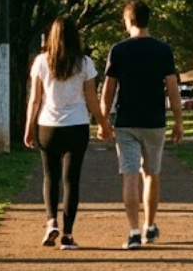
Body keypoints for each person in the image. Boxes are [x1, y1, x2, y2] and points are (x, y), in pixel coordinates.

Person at [24, 16, 114, 251]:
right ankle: (68, 234)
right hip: (77, 125)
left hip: (47, 126)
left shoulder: (41, 61)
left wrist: (28, 128)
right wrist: (103, 123)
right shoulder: (84, 63)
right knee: (71, 179)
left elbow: (35, 99)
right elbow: (92, 99)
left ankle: (51, 221)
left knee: (50, 176)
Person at [100, 0, 185, 250]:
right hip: (154, 121)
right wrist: (178, 121)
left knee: (129, 174)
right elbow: (172, 89)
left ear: (128, 21)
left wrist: (103, 120)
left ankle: (134, 232)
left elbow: (108, 90)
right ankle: (150, 225)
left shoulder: (118, 50)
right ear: (149, 20)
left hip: (126, 121)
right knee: (151, 174)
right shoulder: (163, 50)